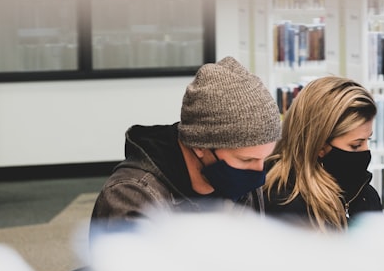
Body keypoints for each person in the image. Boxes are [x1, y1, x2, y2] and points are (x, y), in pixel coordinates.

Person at [89, 56, 282, 232]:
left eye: (264, 158)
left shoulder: (241, 186)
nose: (259, 173)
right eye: (246, 159)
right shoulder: (132, 196)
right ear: (200, 146)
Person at [263, 76, 384, 231]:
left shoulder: (365, 195)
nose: (366, 151)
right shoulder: (284, 204)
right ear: (319, 145)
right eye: (356, 145)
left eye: (369, 139)